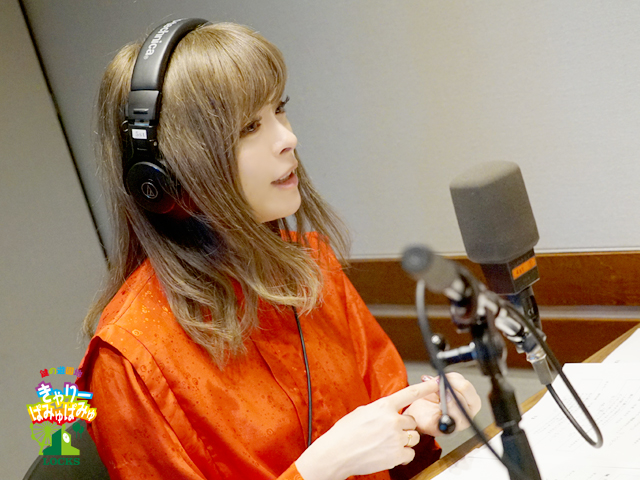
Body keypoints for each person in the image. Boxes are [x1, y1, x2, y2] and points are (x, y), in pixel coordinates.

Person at [77, 20, 481, 480]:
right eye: (250, 126)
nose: (288, 138)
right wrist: (318, 469)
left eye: (279, 110)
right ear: (160, 177)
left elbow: (386, 422)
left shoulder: (311, 264)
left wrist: (420, 421)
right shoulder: (127, 359)